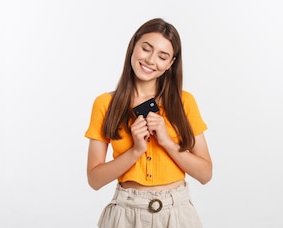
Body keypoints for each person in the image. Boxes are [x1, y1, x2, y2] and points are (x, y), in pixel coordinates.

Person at [85, 18, 212, 228]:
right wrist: (135, 150)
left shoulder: (184, 102)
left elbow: (205, 174)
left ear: (170, 64)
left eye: (162, 56)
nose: (151, 60)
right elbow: (94, 180)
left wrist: (167, 142)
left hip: (177, 214)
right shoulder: (105, 104)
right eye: (146, 48)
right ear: (133, 45)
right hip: (125, 215)